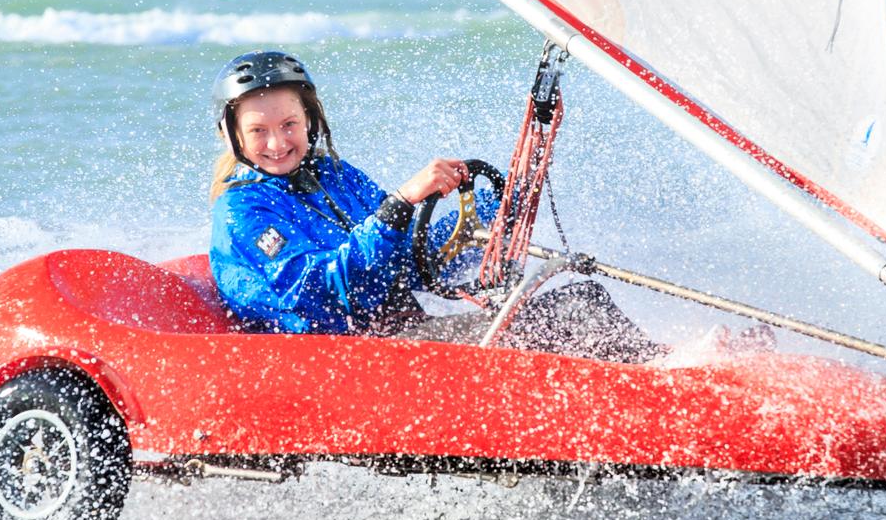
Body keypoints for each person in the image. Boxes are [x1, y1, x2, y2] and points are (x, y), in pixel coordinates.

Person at [208, 51, 661, 361]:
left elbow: (404, 258)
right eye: (258, 131)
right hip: (345, 360)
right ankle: (679, 397)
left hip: (391, 338)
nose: (277, 142)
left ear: (311, 121)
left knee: (581, 300)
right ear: (233, 136)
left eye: (289, 124)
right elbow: (321, 289)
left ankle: (674, 383)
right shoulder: (243, 211)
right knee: (570, 316)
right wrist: (402, 202)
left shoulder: (334, 175)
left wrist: (493, 210)